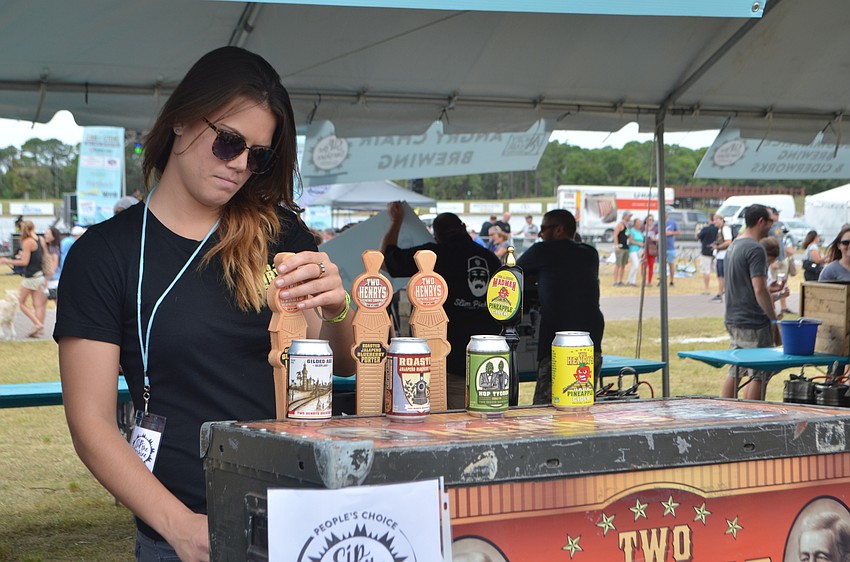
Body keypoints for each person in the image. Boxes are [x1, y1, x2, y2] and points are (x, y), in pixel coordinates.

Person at [54, 46, 355, 561]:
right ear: (181, 120)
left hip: (307, 515)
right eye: (229, 142)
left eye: (258, 155)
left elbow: (342, 362)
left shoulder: (279, 232)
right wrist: (181, 528)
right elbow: (91, 423)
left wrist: (342, 310)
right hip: (190, 529)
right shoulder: (105, 254)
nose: (240, 165)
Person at [381, 203, 502, 409]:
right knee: (483, 421)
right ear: (464, 227)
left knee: (446, 424)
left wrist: (396, 222)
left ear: (436, 236)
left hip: (444, 359)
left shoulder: (432, 256)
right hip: (485, 354)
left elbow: (385, 260)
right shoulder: (491, 259)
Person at [516, 209, 604, 404]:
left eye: (544, 228)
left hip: (557, 338)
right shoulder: (591, 254)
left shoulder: (542, 251)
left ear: (559, 230)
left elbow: (509, 274)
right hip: (591, 337)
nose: (540, 234)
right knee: (581, 401)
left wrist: (536, 277)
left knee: (546, 406)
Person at [720, 204, 780, 401]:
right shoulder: (756, 249)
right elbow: (760, 289)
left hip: (733, 317)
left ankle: (727, 410)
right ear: (761, 221)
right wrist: (773, 320)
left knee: (735, 370)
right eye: (770, 221)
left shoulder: (735, 244)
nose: (772, 225)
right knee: (759, 374)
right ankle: (752, 417)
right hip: (753, 320)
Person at [0, 220, 48, 338]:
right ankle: (39, 328)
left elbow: (24, 262)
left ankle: (37, 324)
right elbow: (41, 256)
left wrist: (7, 261)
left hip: (30, 277)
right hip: (39, 275)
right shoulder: (40, 239)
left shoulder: (27, 242)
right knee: (37, 304)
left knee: (20, 302)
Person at [712, 215, 733, 302]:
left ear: (721, 220)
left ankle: (721, 293)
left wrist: (718, 247)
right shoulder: (720, 230)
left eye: (716, 220)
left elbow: (728, 242)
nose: (715, 222)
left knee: (723, 275)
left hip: (724, 255)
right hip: (720, 255)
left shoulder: (725, 229)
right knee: (720, 275)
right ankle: (720, 292)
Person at [696, 214, 718, 295]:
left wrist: (697, 230)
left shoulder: (706, 229)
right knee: (717, 270)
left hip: (705, 251)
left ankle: (706, 288)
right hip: (716, 251)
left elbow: (698, 237)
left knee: (706, 270)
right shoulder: (718, 229)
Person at [612, 212, 632, 287]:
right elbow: (615, 235)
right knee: (618, 264)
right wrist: (616, 245)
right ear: (624, 216)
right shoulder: (620, 224)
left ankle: (621, 280)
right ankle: (615, 281)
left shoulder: (627, 225)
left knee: (623, 265)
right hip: (620, 247)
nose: (629, 217)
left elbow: (627, 235)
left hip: (626, 247)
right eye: (628, 216)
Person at [44, 226, 62, 301]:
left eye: (48, 234)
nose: (45, 235)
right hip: (54, 278)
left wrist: (46, 280)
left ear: (53, 237)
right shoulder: (53, 248)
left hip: (53, 280)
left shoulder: (53, 249)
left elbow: (54, 266)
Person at [626, 217, 644, 286]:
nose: (639, 224)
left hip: (639, 251)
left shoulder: (640, 231)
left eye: (640, 223)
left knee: (635, 265)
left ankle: (633, 281)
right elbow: (630, 241)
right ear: (635, 223)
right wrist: (638, 243)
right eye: (638, 223)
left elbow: (641, 240)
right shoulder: (632, 231)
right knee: (636, 265)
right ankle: (629, 280)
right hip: (633, 250)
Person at [663, 213, 680, 286]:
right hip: (661, 247)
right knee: (662, 265)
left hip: (670, 247)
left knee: (671, 264)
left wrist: (671, 232)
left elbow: (678, 232)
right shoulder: (658, 223)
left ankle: (671, 280)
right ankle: (662, 280)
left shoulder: (672, 223)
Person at [643, 215, 659, 285]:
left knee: (651, 265)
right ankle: (643, 280)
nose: (651, 221)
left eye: (652, 220)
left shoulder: (656, 229)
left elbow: (658, 238)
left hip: (652, 248)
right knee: (644, 265)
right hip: (644, 248)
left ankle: (649, 281)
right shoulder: (643, 228)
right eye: (649, 220)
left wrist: (654, 239)